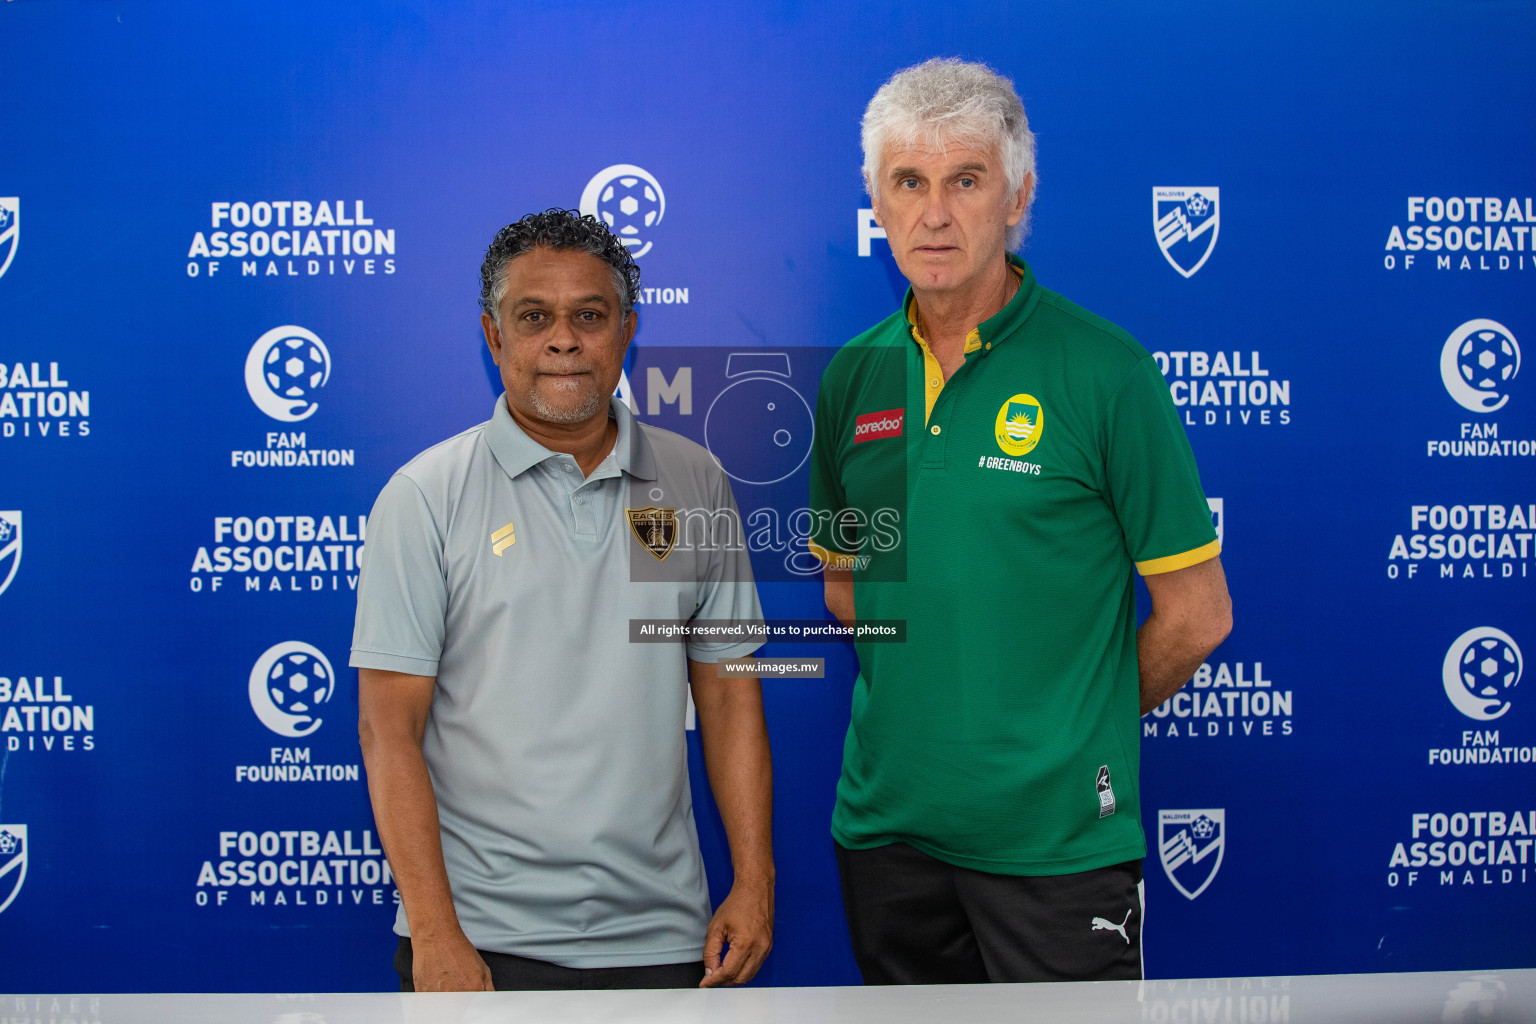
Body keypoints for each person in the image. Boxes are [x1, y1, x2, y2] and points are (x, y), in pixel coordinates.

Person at [807, 59, 1233, 984]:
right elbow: (848, 589)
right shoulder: (850, 377)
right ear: (875, 200)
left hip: (1058, 847)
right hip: (886, 837)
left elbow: (1198, 616)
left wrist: (1074, 730)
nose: (934, 213)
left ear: (1018, 194)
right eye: (907, 183)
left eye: (966, 180)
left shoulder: (1106, 371)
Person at [353, 209, 774, 992]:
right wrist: (438, 933)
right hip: (477, 941)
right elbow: (388, 731)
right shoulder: (424, 497)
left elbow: (728, 694)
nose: (563, 340)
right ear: (494, 336)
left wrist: (754, 883)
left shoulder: (695, 481)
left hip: (662, 936)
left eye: (589, 315)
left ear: (626, 331)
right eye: (534, 317)